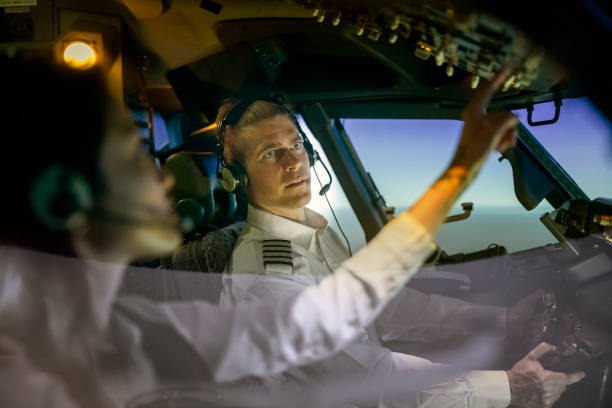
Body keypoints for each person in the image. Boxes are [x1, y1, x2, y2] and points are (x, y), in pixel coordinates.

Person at [0, 55, 456, 407]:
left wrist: (461, 169)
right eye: (132, 156)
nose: (163, 178)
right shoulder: (18, 379)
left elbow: (307, 324)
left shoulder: (129, 331)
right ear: (64, 197)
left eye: (297, 147)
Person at [218, 68, 586, 408]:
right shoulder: (266, 280)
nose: (294, 162)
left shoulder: (315, 235)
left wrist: (500, 320)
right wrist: (510, 386)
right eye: (271, 153)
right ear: (238, 176)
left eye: (297, 145)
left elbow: (382, 308)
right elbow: (370, 378)